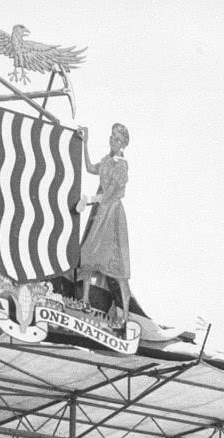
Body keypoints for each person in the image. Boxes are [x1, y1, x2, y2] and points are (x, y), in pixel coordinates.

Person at [77, 123, 132, 326]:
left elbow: (110, 194)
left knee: (117, 265)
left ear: (124, 144)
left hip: (113, 214)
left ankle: (125, 316)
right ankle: (85, 301)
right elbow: (90, 168)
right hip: (101, 212)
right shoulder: (107, 161)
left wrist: (90, 200)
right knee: (88, 252)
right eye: (112, 137)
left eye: (118, 139)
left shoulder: (121, 165)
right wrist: (85, 143)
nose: (113, 141)